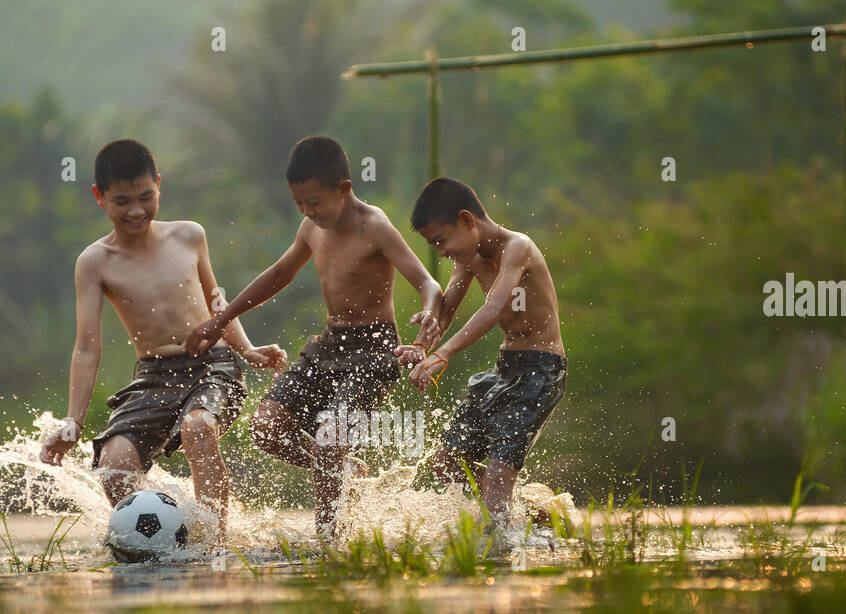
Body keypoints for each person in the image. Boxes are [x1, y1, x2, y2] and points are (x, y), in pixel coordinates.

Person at [186, 135, 443, 537]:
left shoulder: (372, 225)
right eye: (299, 203)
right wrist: (223, 318)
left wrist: (428, 312)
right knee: (267, 428)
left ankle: (329, 539)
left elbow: (426, 281)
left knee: (329, 439)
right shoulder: (311, 228)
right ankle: (342, 467)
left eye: (315, 202)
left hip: (374, 349)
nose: (308, 211)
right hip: (329, 345)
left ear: (344, 188)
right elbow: (280, 274)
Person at [39, 139, 286, 540]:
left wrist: (248, 350)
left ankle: (213, 544)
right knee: (115, 465)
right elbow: (87, 346)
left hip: (212, 365)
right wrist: (74, 421)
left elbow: (215, 302)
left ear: (159, 185)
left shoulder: (189, 236)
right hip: (154, 376)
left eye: (145, 197)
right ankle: (157, 542)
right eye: (121, 201)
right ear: (99, 197)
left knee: (198, 428)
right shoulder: (94, 261)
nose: (136, 211)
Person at [396, 177, 567, 528]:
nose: (441, 252)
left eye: (440, 241)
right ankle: (529, 514)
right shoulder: (470, 257)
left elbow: (492, 308)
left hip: (540, 371)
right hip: (504, 369)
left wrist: (443, 353)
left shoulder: (517, 247)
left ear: (467, 220)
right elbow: (446, 310)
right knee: (445, 461)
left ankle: (501, 540)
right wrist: (422, 343)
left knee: (497, 475)